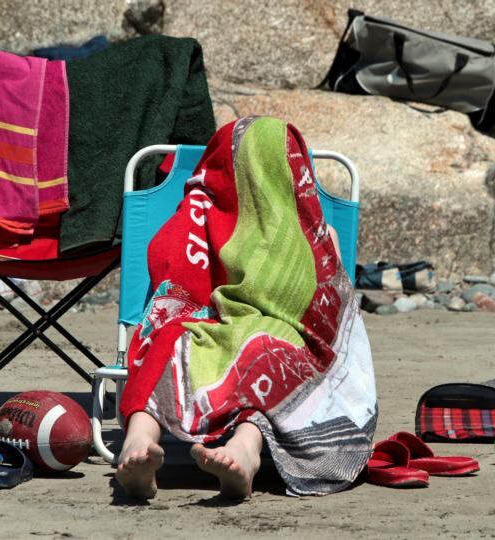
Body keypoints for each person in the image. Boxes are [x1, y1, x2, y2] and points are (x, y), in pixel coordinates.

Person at [115, 116, 377, 500]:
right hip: (208, 320)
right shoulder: (198, 218)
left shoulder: (319, 234)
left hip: (284, 331)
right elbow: (173, 274)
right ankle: (139, 441)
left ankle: (245, 450)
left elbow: (332, 310)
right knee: (167, 341)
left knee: (269, 350)